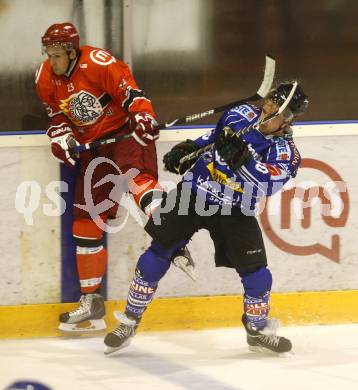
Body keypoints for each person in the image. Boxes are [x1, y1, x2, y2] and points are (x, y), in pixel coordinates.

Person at [103, 81, 309, 354]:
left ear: (286, 121)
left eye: (274, 110)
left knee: (258, 274)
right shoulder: (241, 114)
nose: (265, 110)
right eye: (268, 103)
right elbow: (212, 138)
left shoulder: (285, 153)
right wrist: (190, 147)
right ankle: (130, 320)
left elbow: (265, 184)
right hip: (194, 192)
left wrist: (241, 158)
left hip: (235, 209)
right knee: (156, 254)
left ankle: (257, 330)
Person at [35, 22, 192, 332]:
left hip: (126, 137)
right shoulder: (44, 78)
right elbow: (57, 117)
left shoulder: (98, 63)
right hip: (95, 153)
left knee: (141, 188)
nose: (51, 61)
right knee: (84, 223)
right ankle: (92, 303)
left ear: (71, 50)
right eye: (48, 55)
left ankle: (175, 238)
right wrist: (61, 139)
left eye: (56, 55)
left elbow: (132, 94)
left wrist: (143, 116)